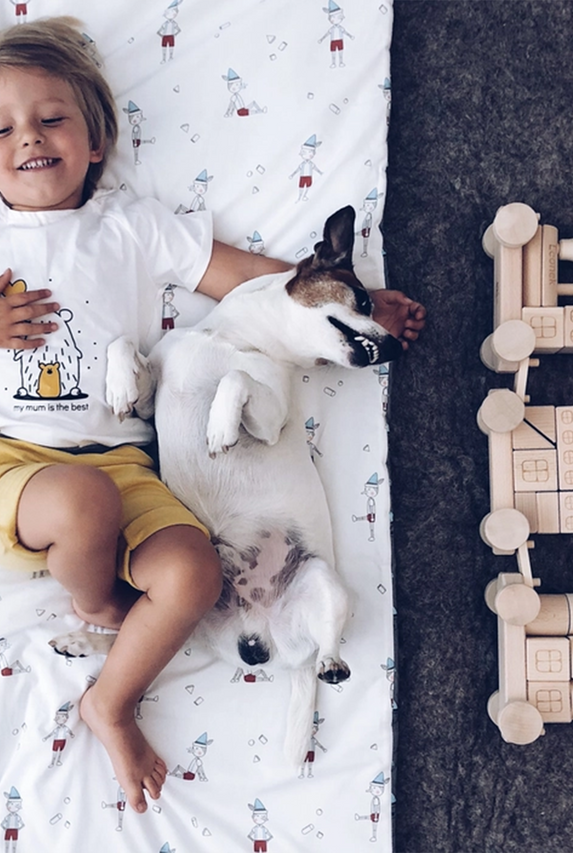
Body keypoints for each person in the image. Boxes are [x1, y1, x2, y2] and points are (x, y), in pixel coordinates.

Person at [0, 17, 425, 815]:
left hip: (126, 462)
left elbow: (252, 283)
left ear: (96, 140)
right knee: (83, 502)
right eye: (2, 127)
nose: (28, 137)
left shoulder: (131, 224)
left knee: (196, 572)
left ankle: (108, 699)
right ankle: (99, 610)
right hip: (15, 461)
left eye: (51, 117)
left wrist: (352, 304)